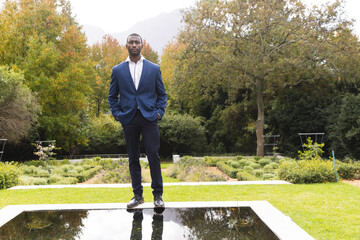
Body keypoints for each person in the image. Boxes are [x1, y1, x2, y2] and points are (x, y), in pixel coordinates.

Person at [108, 33, 167, 208]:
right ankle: (137, 195)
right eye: (131, 42)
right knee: (133, 158)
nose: (134, 45)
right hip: (129, 119)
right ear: (126, 45)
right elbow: (112, 96)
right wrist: (117, 114)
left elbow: (162, 94)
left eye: (137, 42)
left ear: (142, 45)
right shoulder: (117, 70)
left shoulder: (154, 68)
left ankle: (158, 196)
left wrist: (159, 113)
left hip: (149, 118)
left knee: (153, 156)